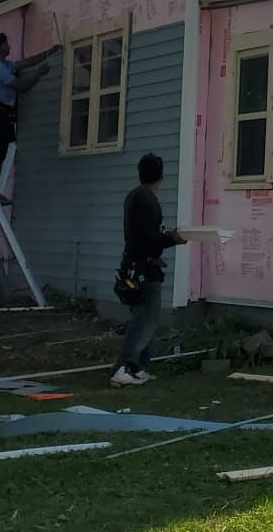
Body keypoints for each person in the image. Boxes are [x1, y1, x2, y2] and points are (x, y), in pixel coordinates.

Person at [112, 153, 185, 387]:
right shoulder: (148, 200)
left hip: (133, 265)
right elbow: (148, 238)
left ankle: (140, 367)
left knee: (144, 318)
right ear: (161, 176)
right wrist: (172, 239)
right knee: (144, 320)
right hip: (143, 268)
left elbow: (141, 235)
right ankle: (124, 367)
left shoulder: (133, 196)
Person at [0, 32, 57, 194]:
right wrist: (38, 74)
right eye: (6, 44)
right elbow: (21, 86)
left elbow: (26, 63)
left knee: (0, 151)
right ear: (0, 47)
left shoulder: (4, 65)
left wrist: (49, 52)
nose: (9, 47)